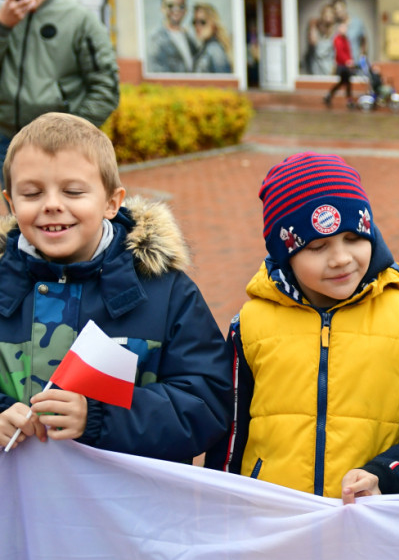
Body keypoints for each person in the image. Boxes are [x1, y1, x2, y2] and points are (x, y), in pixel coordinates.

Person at [204, 152, 399, 503]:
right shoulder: (250, 325)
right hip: (272, 518)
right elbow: (228, 436)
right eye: (317, 246)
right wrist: (219, 509)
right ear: (286, 254)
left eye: (354, 237)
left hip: (367, 521)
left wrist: (383, 475)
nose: (341, 259)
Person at [0, 112, 231, 461]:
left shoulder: (167, 293)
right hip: (22, 510)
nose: (51, 204)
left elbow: (207, 404)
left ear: (112, 201)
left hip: (127, 511)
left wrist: (98, 417)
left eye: (73, 191)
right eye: (32, 193)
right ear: (11, 202)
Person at [0, 0, 120, 185]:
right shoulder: (1, 19)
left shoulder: (78, 18)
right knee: (21, 214)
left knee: (63, 213)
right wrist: (3, 28)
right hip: (6, 141)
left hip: (60, 146)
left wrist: (71, 135)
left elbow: (106, 86)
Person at [147, 0, 198, 74]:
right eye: (170, 6)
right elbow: (157, 72)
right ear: (162, 8)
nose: (176, 10)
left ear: (186, 10)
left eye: (181, 6)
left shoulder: (190, 38)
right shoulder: (156, 39)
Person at [191, 2, 232, 74]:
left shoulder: (215, 49)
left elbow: (223, 81)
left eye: (202, 22)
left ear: (213, 24)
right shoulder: (204, 48)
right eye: (195, 22)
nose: (197, 26)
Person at [323, 18, 353, 109]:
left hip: (346, 65)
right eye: (343, 28)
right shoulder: (337, 39)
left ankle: (329, 95)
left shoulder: (345, 39)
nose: (345, 30)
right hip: (342, 65)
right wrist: (347, 61)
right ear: (339, 29)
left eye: (346, 28)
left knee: (343, 82)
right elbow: (339, 53)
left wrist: (350, 60)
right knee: (346, 82)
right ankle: (349, 100)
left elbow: (348, 51)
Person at [305, 3, 336, 76]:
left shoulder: (337, 32)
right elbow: (313, 42)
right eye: (326, 12)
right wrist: (313, 26)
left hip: (330, 72)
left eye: (330, 13)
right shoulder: (315, 29)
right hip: (316, 72)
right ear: (322, 15)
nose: (328, 15)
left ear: (334, 16)